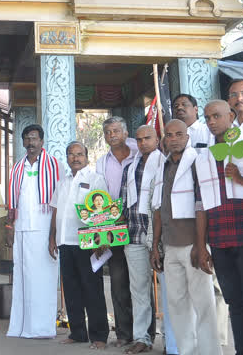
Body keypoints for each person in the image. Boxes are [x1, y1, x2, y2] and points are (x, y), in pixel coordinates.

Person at [195, 100, 243, 355]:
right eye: (207, 117)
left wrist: (240, 179)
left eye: (216, 116)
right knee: (234, 301)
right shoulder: (203, 157)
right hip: (219, 237)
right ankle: (242, 351)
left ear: (231, 115)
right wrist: (201, 244)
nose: (211, 121)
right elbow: (200, 203)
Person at [150, 119, 221, 355]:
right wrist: (155, 246)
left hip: (193, 245)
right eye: (169, 135)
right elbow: (158, 209)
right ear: (165, 140)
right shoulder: (164, 165)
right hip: (169, 245)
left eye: (179, 134)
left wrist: (201, 246)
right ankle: (186, 351)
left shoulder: (197, 161)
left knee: (204, 304)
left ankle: (210, 351)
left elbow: (202, 206)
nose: (174, 139)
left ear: (187, 137)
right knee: (177, 305)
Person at [48, 141, 110, 349]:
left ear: (86, 157)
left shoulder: (95, 179)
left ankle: (99, 336)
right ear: (67, 158)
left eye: (79, 154)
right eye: (71, 154)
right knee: (72, 289)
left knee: (92, 289)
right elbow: (55, 211)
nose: (75, 158)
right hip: (65, 242)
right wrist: (52, 239)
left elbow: (103, 211)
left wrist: (100, 240)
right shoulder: (62, 182)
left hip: (87, 243)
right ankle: (77, 332)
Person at [5, 124, 60, 339]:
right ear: (23, 142)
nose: (31, 143)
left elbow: (58, 203)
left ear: (42, 141)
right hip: (22, 230)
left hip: (45, 230)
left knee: (43, 279)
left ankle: (42, 328)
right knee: (22, 278)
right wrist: (10, 227)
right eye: (27, 139)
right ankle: (21, 326)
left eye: (35, 138)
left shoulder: (55, 166)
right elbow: (13, 202)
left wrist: (53, 235)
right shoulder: (18, 167)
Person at [94, 117, 137, 347]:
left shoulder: (139, 153)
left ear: (125, 131)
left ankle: (143, 333)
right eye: (108, 132)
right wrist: (103, 233)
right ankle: (123, 334)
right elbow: (100, 199)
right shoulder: (102, 162)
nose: (112, 135)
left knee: (140, 284)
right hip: (114, 228)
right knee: (118, 282)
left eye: (116, 130)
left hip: (139, 225)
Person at [120, 125, 162, 354]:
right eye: (139, 139)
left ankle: (171, 340)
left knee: (168, 291)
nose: (143, 142)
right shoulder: (130, 166)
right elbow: (124, 202)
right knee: (139, 289)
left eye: (148, 138)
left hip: (162, 235)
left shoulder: (165, 162)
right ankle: (142, 338)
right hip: (134, 232)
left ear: (157, 139)